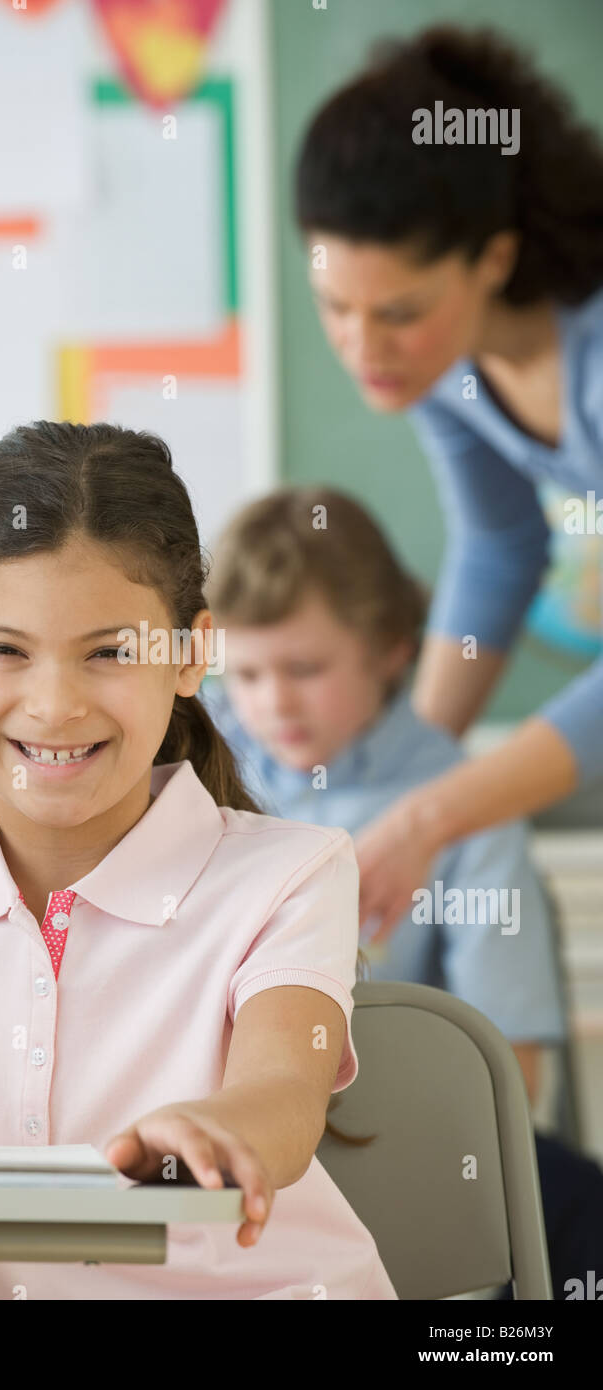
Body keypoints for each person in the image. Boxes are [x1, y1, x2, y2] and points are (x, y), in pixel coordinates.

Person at [0, 421, 396, 1301]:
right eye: (3, 649)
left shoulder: (292, 871)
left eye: (110, 653)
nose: (54, 706)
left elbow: (283, 1094)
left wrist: (213, 1132)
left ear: (190, 654)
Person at [200, 483, 603, 1300]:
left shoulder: (465, 808)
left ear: (390, 650)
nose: (272, 702)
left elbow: (510, 1082)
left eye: (305, 669)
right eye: (244, 672)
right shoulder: (186, 769)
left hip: (388, 1158)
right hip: (217, 1154)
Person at [293, 24, 603, 937]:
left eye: (397, 312)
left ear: (494, 260)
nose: (361, 347)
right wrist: (405, 767)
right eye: (334, 305)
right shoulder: (440, 360)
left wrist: (429, 813)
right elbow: (502, 544)